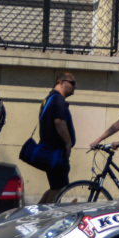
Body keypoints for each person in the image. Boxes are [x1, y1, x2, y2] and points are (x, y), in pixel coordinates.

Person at [39, 72, 77, 203]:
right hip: (55, 152)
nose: (75, 86)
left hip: (50, 151)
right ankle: (46, 218)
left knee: (54, 187)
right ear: (61, 83)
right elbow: (59, 122)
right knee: (58, 189)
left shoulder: (49, 99)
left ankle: (37, 215)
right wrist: (68, 143)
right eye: (72, 83)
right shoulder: (57, 99)